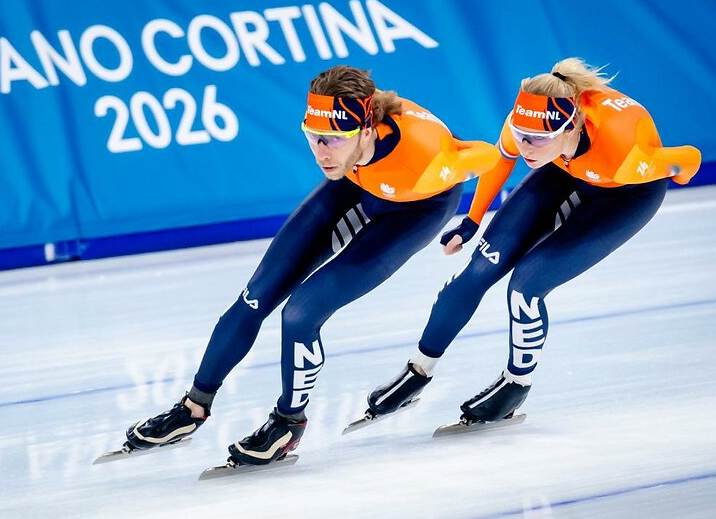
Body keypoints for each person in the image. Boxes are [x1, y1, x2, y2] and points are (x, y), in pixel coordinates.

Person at [123, 65, 504, 465]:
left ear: (367, 130)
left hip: (415, 210)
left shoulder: (424, 155)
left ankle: (288, 424)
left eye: (334, 140)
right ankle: (193, 408)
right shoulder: (345, 152)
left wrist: (473, 219)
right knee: (253, 298)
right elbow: (337, 150)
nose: (322, 152)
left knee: (301, 313)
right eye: (313, 137)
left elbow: (489, 156)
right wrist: (341, 149)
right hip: (355, 184)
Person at [366, 58, 701, 424]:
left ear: (571, 127)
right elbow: (501, 160)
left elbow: (689, 159)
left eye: (537, 138)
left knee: (526, 286)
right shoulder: (531, 125)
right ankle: (418, 371)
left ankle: (515, 385)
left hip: (626, 193)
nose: (526, 146)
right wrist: (473, 220)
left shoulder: (623, 152)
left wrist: (672, 169)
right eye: (521, 133)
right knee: (478, 271)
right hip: (563, 170)